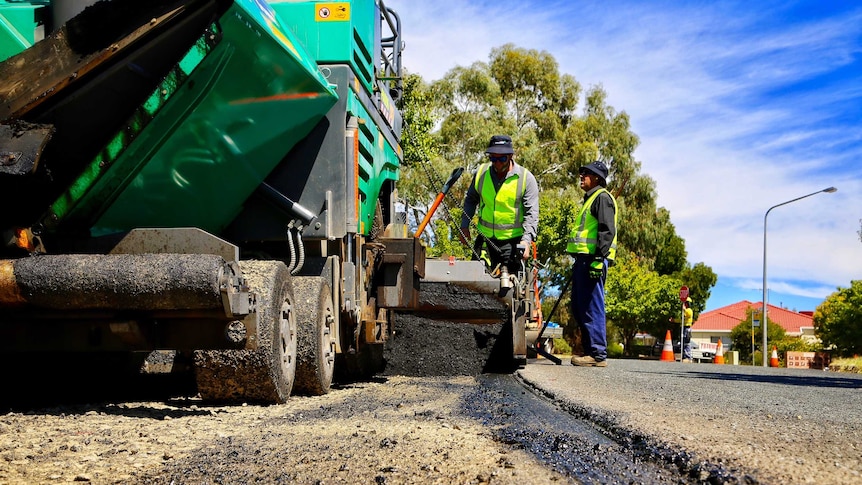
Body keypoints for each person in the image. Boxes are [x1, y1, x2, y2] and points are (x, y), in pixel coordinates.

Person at [459, 135, 539, 276]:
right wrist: (464, 225)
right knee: (476, 283)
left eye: (502, 159)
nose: (497, 163)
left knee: (509, 289)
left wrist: (526, 241)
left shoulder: (526, 178)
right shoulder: (481, 174)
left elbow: (531, 214)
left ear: (510, 156)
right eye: (493, 159)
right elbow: (471, 199)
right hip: (485, 240)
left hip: (513, 243)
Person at [567, 161, 617, 367]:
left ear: (597, 178)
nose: (581, 176)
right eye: (581, 172)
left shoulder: (602, 198)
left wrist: (598, 259)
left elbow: (607, 231)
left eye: (586, 173)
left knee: (591, 307)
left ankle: (597, 354)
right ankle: (590, 351)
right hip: (583, 260)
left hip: (593, 260)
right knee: (580, 307)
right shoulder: (590, 200)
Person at [681, 297, 694, 363]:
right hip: (684, 328)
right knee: (684, 342)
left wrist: (684, 309)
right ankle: (685, 356)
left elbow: (689, 314)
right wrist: (674, 320)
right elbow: (682, 319)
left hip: (687, 328)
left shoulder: (689, 310)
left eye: (685, 303)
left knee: (687, 343)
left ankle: (688, 357)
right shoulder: (685, 311)